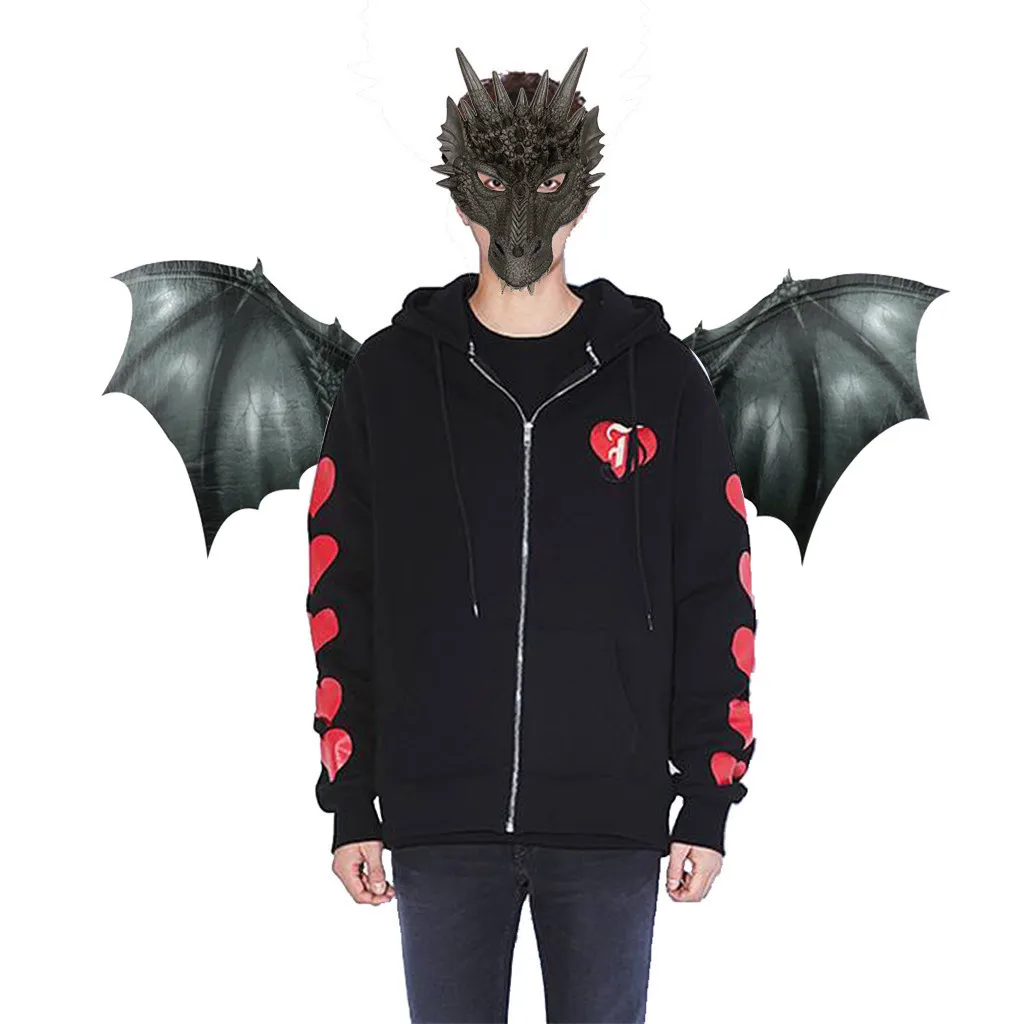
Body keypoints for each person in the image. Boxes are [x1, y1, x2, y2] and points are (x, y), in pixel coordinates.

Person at [306, 46, 757, 1024]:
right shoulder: (390, 379)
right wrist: (351, 794)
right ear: (459, 196)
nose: (516, 216)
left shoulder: (659, 379)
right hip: (437, 815)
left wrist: (708, 793)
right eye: (493, 184)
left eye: (545, 184)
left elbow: (714, 587)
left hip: (610, 818)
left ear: (579, 194)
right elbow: (343, 594)